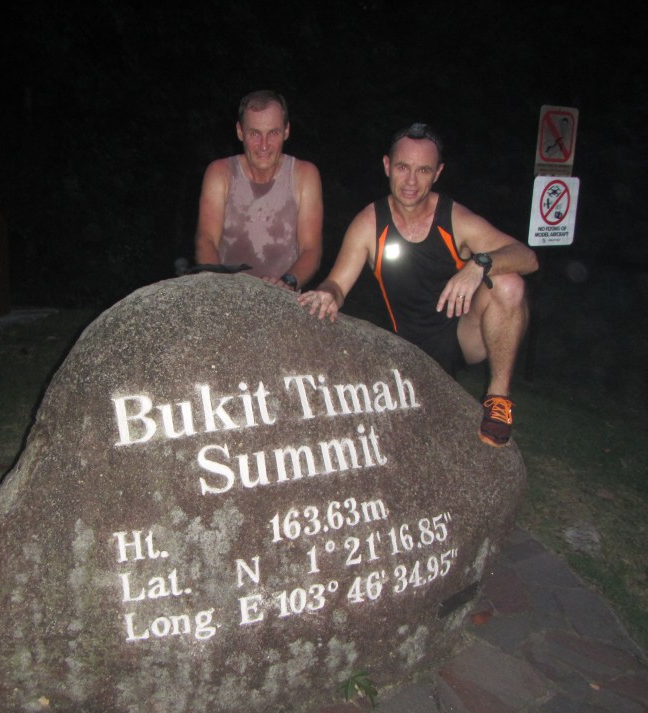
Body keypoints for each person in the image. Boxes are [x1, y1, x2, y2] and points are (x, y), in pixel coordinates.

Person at [298, 123, 538, 447]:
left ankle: (498, 400)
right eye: (403, 168)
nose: (411, 181)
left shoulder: (454, 219)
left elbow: (526, 256)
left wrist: (478, 265)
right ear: (387, 166)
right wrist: (327, 294)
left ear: (437, 173)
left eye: (423, 170)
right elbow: (337, 284)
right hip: (409, 348)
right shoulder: (369, 223)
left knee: (509, 283)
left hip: (462, 334)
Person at [193, 90, 323, 292]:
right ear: (240, 132)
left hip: (284, 294)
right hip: (227, 291)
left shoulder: (305, 175)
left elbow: (311, 249)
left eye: (273, 133)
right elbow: (206, 239)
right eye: (255, 133)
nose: (264, 145)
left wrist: (287, 282)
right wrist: (220, 287)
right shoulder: (219, 173)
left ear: (286, 131)